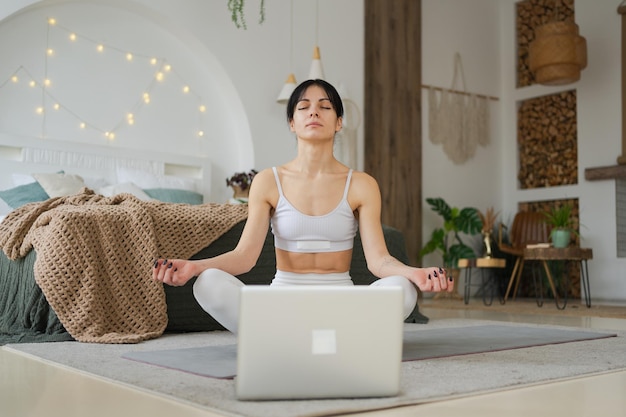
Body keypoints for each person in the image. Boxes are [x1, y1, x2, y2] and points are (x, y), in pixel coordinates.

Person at [153, 79, 453, 333]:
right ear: (292, 123)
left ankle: (291, 338)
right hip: (282, 301)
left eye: (324, 106)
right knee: (207, 283)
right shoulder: (268, 181)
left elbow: (379, 261)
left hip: (341, 301)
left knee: (402, 290)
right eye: (303, 107)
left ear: (338, 122)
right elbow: (244, 257)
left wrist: (414, 273)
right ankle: (316, 337)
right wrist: (196, 267)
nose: (314, 112)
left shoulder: (362, 184)